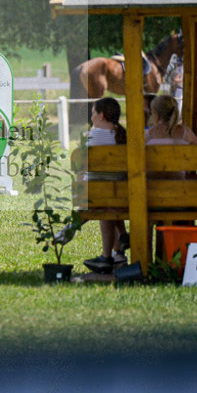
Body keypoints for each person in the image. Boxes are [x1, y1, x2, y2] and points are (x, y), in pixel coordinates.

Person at [82, 97, 130, 273]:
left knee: (105, 203)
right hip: (122, 193)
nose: (92, 116)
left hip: (96, 194)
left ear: (101, 115)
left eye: (93, 112)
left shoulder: (92, 136)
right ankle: (119, 251)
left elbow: (80, 164)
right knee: (111, 198)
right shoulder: (123, 136)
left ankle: (107, 256)